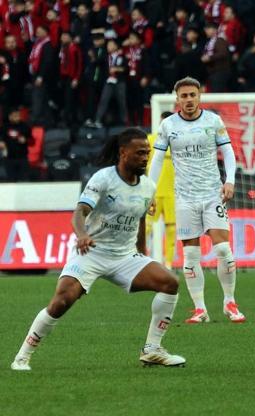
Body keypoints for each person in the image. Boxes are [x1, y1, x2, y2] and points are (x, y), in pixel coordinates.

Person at [10, 128, 185, 371]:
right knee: (62, 300)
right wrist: (82, 235)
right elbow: (80, 211)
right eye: (140, 153)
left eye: (147, 153)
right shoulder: (103, 178)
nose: (145, 158)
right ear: (123, 153)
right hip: (91, 252)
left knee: (170, 282)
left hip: (124, 256)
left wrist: (142, 252)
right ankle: (22, 357)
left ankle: (153, 349)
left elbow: (141, 219)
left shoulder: (147, 186)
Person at [148, 77, 245, 324]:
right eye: (184, 96)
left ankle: (230, 302)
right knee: (191, 255)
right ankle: (200, 309)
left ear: (199, 96)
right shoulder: (168, 125)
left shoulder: (213, 121)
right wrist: (149, 191)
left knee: (223, 249)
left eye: (193, 95)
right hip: (184, 198)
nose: (189, 99)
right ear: (177, 99)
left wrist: (230, 180)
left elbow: (228, 152)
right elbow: (157, 160)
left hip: (213, 194)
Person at [146, 111, 177, 269]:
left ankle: (169, 265)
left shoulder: (178, 142)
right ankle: (139, 259)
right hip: (154, 193)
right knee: (146, 227)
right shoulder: (150, 140)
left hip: (173, 194)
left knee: (171, 230)